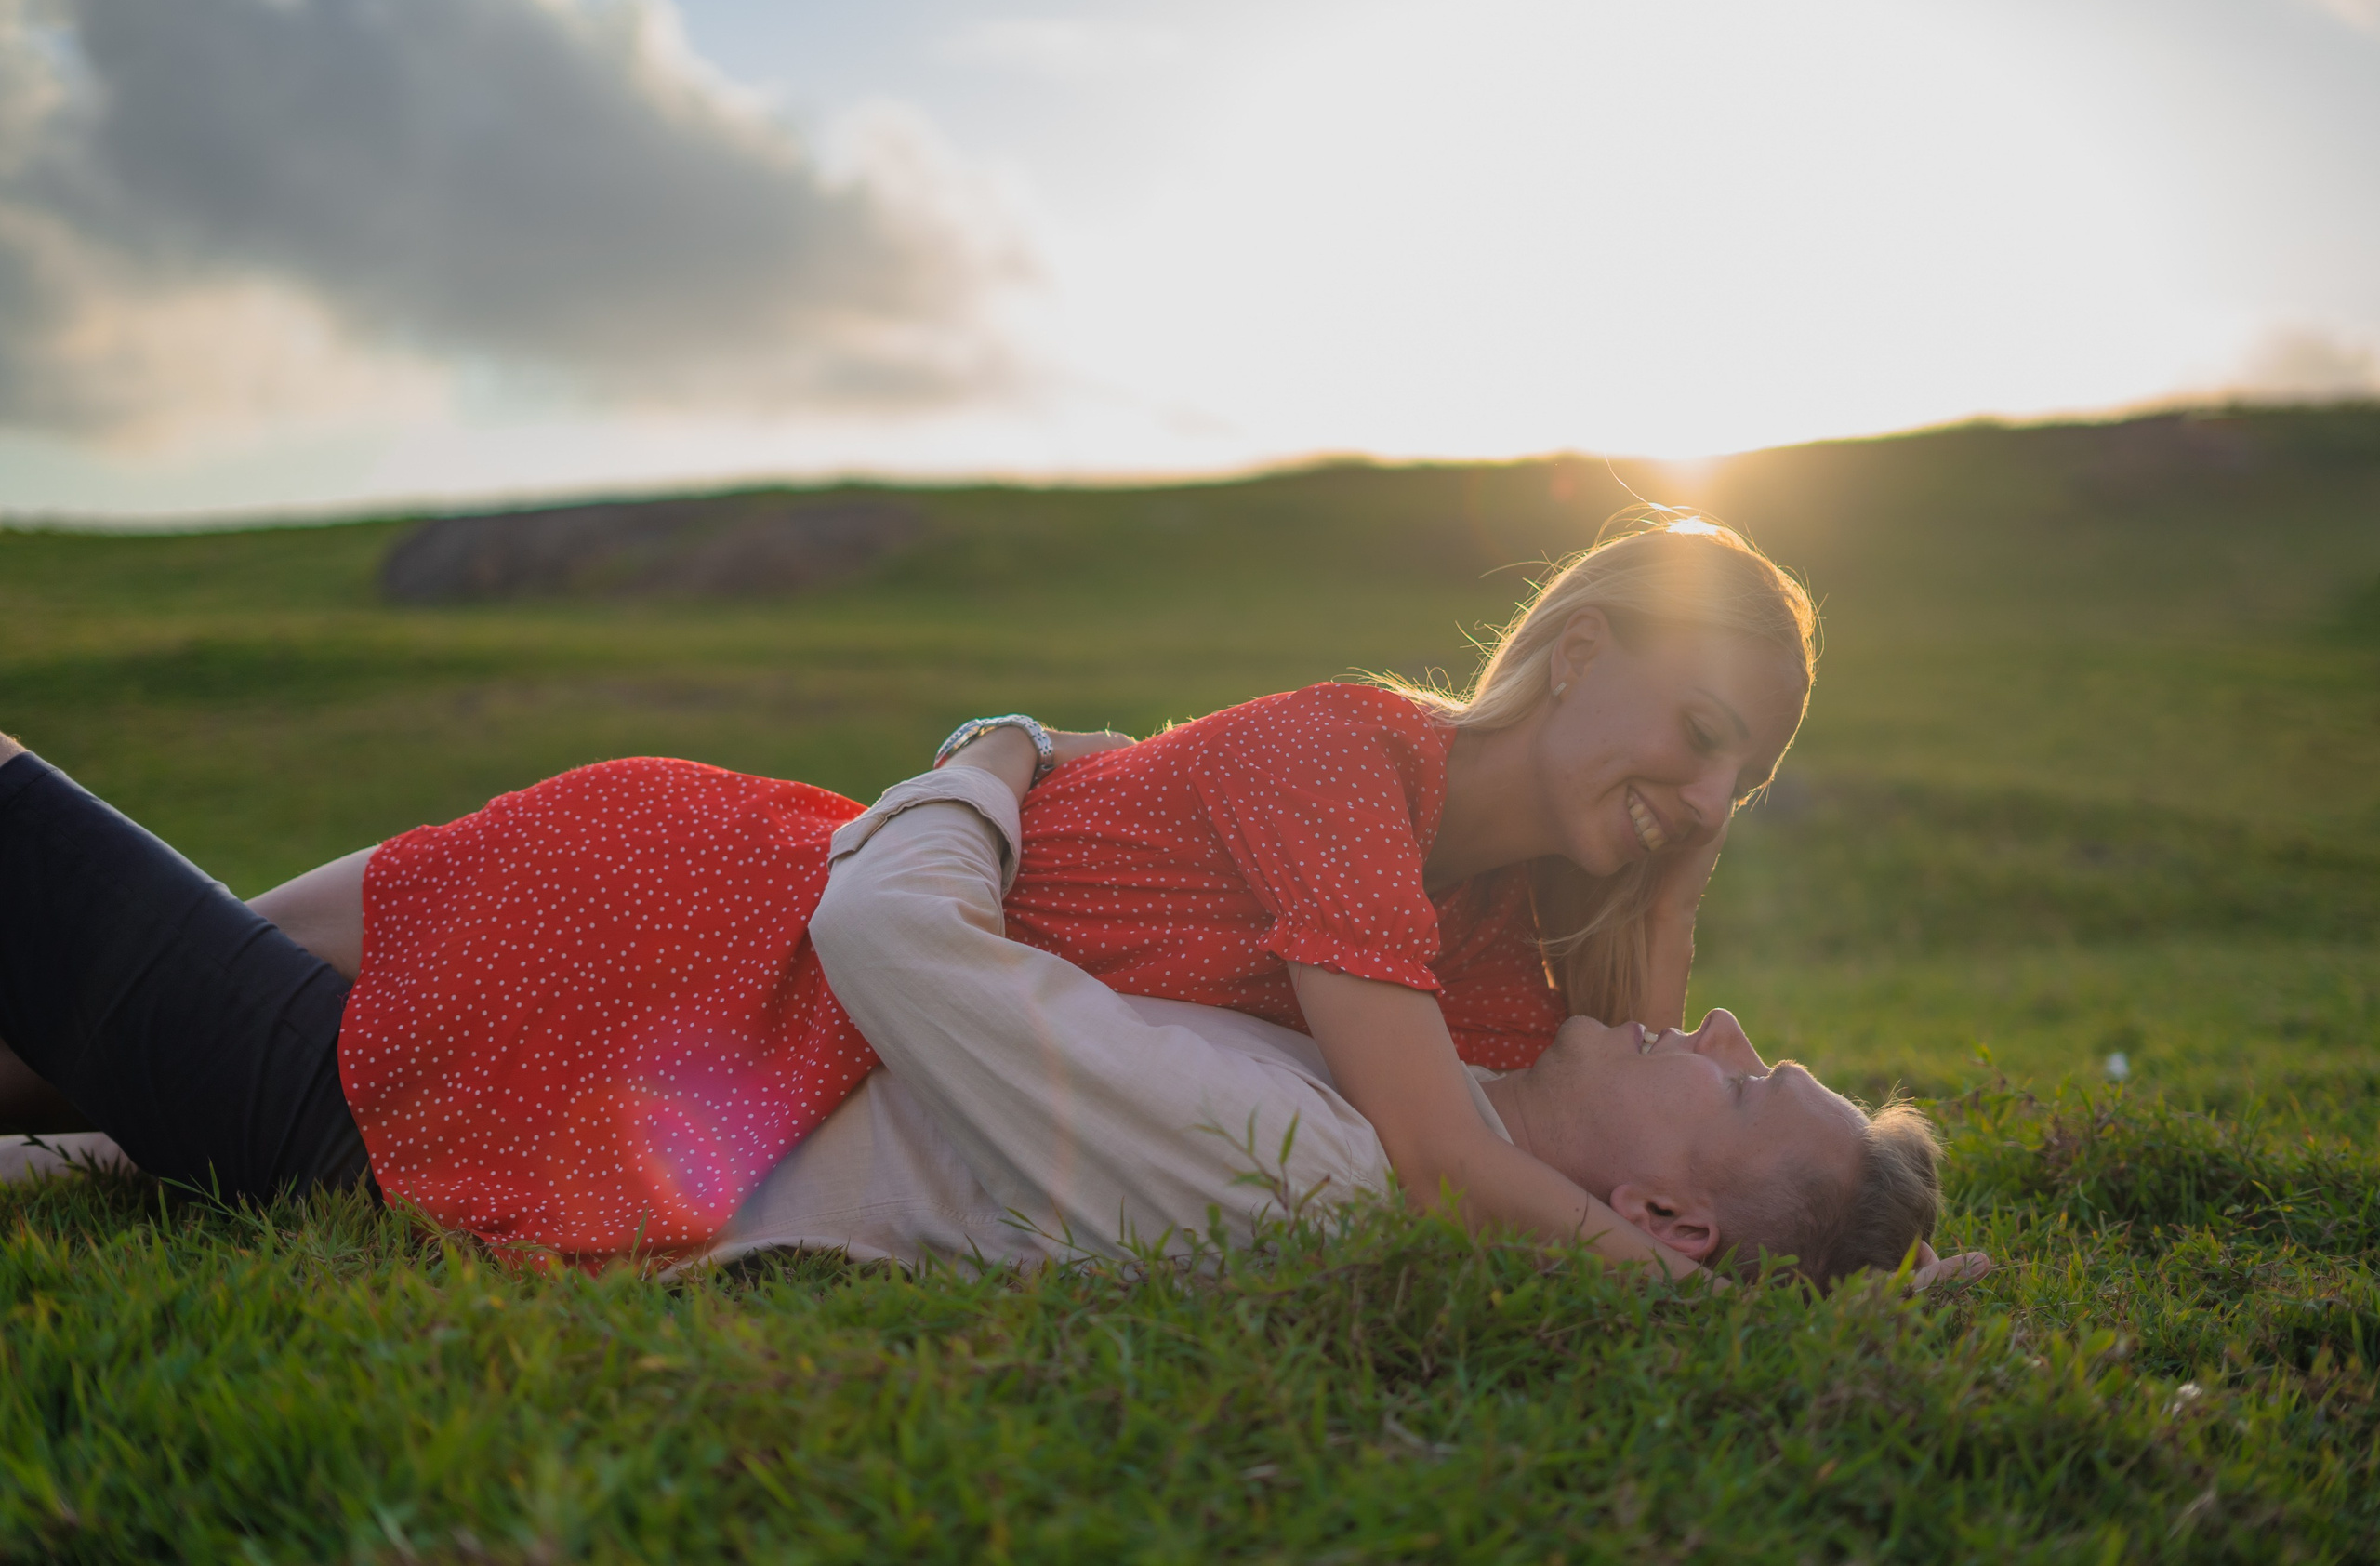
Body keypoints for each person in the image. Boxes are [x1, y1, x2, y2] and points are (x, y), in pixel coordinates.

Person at [0, 511, 1937, 1281]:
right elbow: (1445, 1158)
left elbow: (1540, 1169)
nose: (1695, 797)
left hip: (799, 1021)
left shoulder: (1514, 977)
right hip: (720, 903)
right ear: (1573, 650)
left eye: (1735, 778)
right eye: (1687, 731)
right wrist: (1717, 1310)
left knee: (120, 1049)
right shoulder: (1341, 763)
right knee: (82, 1024)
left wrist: (1831, 1284)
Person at [1, 739, 1981, 1290]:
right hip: (575, 1016)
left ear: (1665, 1224)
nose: (1713, 1026)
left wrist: (1002, 747)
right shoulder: (1390, 1086)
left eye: (1743, 1087)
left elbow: (900, 942)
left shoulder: (1303, 1152)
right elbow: (1592, 962)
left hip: (486, 1105)